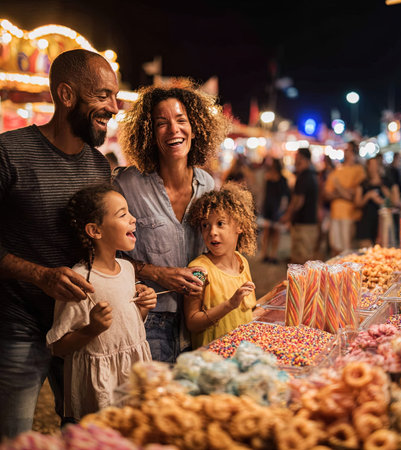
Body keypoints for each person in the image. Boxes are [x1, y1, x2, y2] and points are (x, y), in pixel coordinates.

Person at [0, 49, 119, 438]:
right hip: (18, 325)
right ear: (67, 95)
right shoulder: (9, 152)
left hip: (78, 327)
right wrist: (40, 276)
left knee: (86, 433)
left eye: (114, 96)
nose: (114, 107)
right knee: (15, 435)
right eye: (103, 96)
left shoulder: (99, 165)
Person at [113, 78, 230, 363]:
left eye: (181, 119)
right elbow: (106, 258)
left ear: (196, 126)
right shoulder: (127, 185)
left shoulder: (207, 184)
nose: (173, 130)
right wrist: (156, 273)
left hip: (200, 317)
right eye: (161, 123)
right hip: (148, 321)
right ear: (149, 133)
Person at [46, 183, 155, 421]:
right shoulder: (81, 279)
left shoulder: (127, 269)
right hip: (101, 384)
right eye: (123, 214)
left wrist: (143, 307)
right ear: (95, 230)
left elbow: (130, 325)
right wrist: (92, 329)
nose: (133, 219)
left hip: (132, 375)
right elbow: (59, 347)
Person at [184, 182, 257, 349]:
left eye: (220, 223)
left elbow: (246, 313)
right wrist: (229, 304)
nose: (212, 232)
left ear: (240, 226)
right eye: (205, 225)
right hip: (213, 362)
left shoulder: (242, 262)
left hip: (241, 357)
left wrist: (273, 295)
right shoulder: (199, 271)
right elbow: (192, 322)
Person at [324, 141, 366, 256]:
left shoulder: (358, 170)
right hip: (335, 213)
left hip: (349, 214)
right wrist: (343, 193)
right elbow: (327, 193)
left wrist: (338, 188)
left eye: (348, 150)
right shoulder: (337, 170)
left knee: (347, 249)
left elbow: (354, 194)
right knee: (335, 247)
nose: (345, 152)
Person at [281, 148, 319, 264]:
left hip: (304, 223)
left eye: (297, 157)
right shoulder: (311, 175)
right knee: (302, 256)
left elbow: (298, 200)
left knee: (302, 258)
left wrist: (288, 215)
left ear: (303, 158)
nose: (295, 160)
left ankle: (300, 282)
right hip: (307, 222)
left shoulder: (304, 177)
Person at [354, 158, 400, 248]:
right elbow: (357, 203)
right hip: (367, 222)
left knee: (384, 248)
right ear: (367, 167)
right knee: (366, 251)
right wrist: (368, 196)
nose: (373, 168)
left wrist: (385, 195)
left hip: (383, 222)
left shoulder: (387, 182)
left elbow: (396, 201)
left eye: (375, 165)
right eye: (371, 165)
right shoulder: (363, 184)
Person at [260, 157, 290, 264]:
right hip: (269, 207)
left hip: (277, 207)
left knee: (275, 231)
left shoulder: (281, 179)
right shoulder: (269, 177)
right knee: (268, 231)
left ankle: (272, 254)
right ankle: (266, 253)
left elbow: (285, 196)